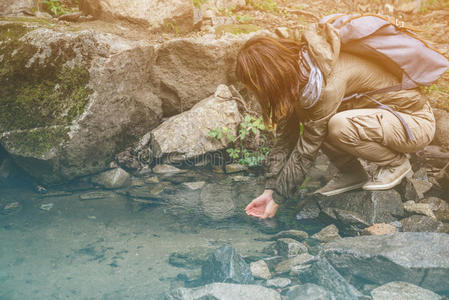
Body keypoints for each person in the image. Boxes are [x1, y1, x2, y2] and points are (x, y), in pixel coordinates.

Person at [236, 24, 436, 219]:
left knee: (336, 125)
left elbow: (306, 150)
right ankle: (352, 173)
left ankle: (396, 164)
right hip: (386, 123)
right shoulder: (302, 77)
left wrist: (279, 199)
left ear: (271, 77)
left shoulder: (327, 84)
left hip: (414, 122)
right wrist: (270, 189)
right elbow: (286, 137)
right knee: (320, 123)